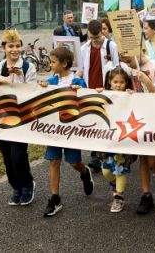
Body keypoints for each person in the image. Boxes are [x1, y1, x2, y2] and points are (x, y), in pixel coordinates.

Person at [0, 29, 37, 206]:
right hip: (1, 119)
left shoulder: (29, 67)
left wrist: (11, 83)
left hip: (21, 119)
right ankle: (16, 187)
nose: (15, 49)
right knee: (7, 157)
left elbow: (31, 94)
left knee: (18, 156)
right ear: (3, 48)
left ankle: (27, 185)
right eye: (11, 46)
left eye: (18, 46)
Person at [38, 47, 94, 217]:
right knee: (54, 161)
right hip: (55, 130)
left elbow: (86, 100)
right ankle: (55, 198)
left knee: (74, 162)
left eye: (53, 62)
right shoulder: (51, 81)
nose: (50, 64)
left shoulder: (78, 81)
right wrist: (41, 87)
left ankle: (85, 172)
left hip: (70, 130)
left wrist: (79, 90)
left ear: (64, 63)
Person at [119, 45, 155, 214]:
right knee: (142, 158)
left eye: (128, 60)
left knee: (153, 160)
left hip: (154, 116)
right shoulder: (127, 69)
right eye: (124, 61)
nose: (127, 64)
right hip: (136, 117)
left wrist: (146, 81)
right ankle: (146, 194)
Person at [95, 67, 151, 213]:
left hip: (124, 140)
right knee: (107, 171)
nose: (118, 85)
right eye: (115, 82)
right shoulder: (103, 94)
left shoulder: (129, 95)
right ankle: (115, 186)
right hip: (107, 141)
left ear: (126, 83)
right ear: (109, 82)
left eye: (122, 82)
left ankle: (118, 197)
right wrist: (97, 93)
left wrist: (132, 96)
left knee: (120, 170)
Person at [79, 19, 120, 171]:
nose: (95, 41)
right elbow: (81, 69)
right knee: (93, 121)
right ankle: (95, 155)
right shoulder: (84, 48)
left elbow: (117, 69)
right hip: (90, 90)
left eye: (97, 38)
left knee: (106, 122)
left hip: (106, 90)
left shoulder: (111, 46)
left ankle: (108, 153)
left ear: (102, 33)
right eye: (91, 38)